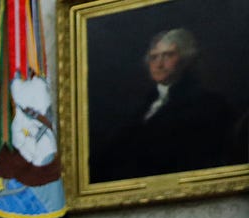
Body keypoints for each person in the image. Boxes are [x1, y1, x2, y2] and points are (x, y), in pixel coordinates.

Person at [96, 28, 235, 182]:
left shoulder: (208, 104)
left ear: (186, 59)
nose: (159, 64)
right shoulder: (141, 107)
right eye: (153, 57)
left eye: (168, 55)